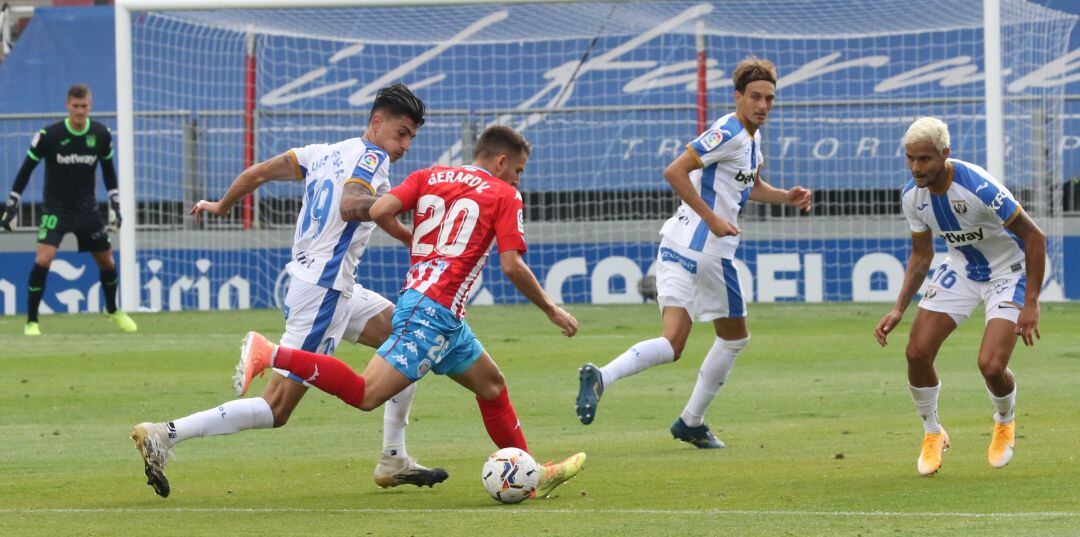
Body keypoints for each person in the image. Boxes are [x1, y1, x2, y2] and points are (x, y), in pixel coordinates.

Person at [234, 125, 587, 499]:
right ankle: (271, 353)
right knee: (366, 394)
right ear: (501, 162)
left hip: (436, 311)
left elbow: (382, 209)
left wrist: (414, 240)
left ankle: (529, 474)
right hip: (432, 315)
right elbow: (513, 266)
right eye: (518, 170)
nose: (518, 179)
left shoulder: (429, 176)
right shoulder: (505, 195)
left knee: (492, 386)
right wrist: (550, 309)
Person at [130, 84, 446, 498]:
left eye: (411, 137)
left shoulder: (322, 153)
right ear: (377, 122)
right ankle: (165, 434)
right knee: (276, 408)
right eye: (401, 132)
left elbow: (259, 173)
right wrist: (411, 220)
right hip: (324, 293)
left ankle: (393, 457)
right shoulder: (373, 158)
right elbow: (355, 203)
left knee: (407, 341)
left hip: (327, 286)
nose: (405, 144)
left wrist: (222, 205)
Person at [574, 57, 812, 449]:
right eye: (755, 97)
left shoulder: (749, 137)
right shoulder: (731, 132)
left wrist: (785, 196)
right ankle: (691, 421)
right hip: (709, 251)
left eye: (769, 98)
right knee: (735, 339)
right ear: (738, 97)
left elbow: (747, 184)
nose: (763, 105)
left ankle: (603, 375)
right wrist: (714, 219)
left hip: (676, 244)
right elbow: (675, 171)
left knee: (672, 343)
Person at [874, 117, 1045, 476]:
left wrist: (1030, 304)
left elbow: (1035, 238)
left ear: (944, 155)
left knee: (991, 366)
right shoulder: (912, 196)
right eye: (910, 159)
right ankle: (933, 432)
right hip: (963, 270)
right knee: (916, 352)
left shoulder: (980, 189)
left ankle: (1004, 420)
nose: (916, 168)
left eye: (924, 160)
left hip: (1008, 273)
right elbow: (921, 256)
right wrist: (898, 308)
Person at [0, 84, 136, 336]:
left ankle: (113, 309)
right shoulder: (50, 135)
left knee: (107, 262)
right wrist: (12, 202)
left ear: (90, 105)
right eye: (75, 107)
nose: (80, 112)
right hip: (56, 209)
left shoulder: (101, 134)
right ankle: (32, 321)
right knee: (43, 259)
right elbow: (26, 168)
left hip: (87, 211)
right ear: (67, 106)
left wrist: (115, 203)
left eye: (84, 106)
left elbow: (108, 171)